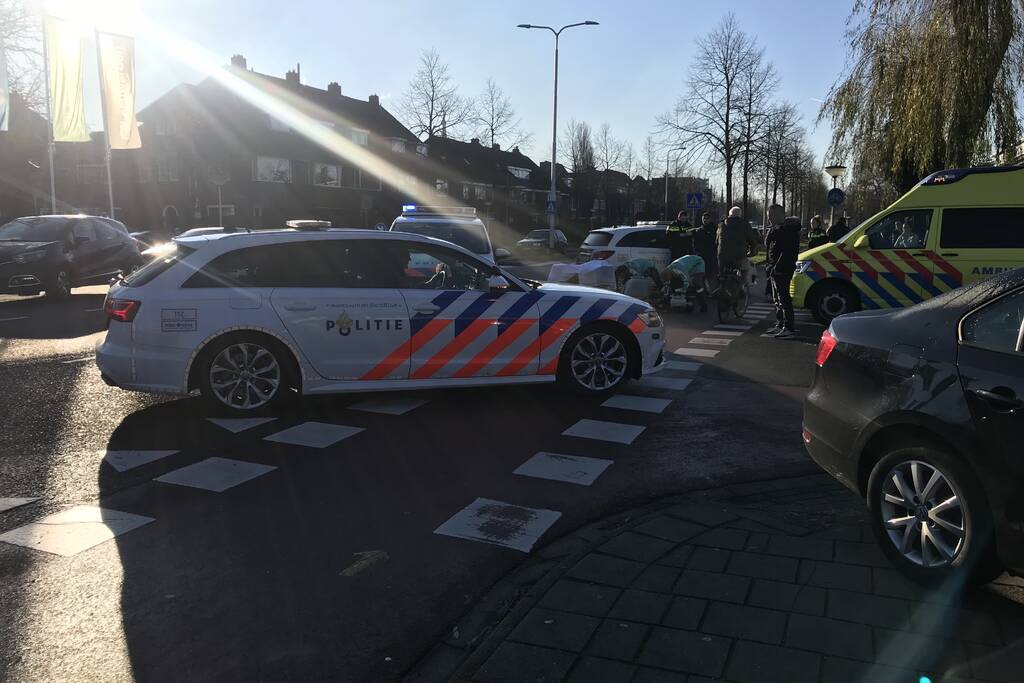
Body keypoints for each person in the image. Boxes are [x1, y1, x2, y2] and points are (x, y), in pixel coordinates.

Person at [764, 205, 802, 339]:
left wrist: (777, 268)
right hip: (775, 268)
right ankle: (780, 324)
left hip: (782, 270)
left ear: (778, 215)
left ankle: (789, 327)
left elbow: (787, 251)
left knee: (784, 299)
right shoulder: (777, 229)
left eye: (771, 215)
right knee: (777, 299)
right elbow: (769, 246)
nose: (768, 218)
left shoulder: (787, 230)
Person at [716, 206, 759, 286]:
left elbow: (716, 241)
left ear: (729, 215)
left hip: (723, 256)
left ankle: (720, 281)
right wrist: (753, 251)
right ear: (739, 215)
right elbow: (752, 241)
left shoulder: (721, 225)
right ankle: (743, 285)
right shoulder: (745, 225)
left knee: (720, 273)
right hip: (739, 256)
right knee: (745, 269)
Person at [693, 211, 719, 285]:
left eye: (707, 218)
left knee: (711, 277)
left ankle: (712, 292)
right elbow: (695, 242)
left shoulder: (715, 229)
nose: (705, 220)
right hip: (701, 256)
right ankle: (703, 292)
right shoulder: (699, 230)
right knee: (701, 276)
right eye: (704, 218)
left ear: (710, 219)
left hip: (711, 256)